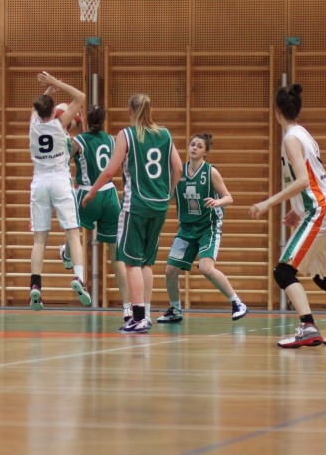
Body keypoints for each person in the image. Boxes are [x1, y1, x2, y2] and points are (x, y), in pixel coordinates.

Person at [249, 83, 326, 348]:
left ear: (276, 110)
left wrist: (269, 202)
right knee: (322, 276)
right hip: (321, 209)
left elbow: (303, 180)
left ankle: (307, 326)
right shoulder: (304, 135)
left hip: (318, 210)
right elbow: (313, 178)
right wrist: (297, 208)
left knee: (283, 271)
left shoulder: (291, 139)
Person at [83, 94, 183, 334]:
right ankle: (145, 314)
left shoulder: (126, 135)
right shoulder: (165, 134)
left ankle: (138, 317)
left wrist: (92, 192)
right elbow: (178, 168)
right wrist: (168, 193)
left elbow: (110, 171)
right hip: (159, 205)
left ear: (130, 110)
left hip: (136, 204)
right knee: (146, 262)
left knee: (131, 263)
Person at [157, 133, 248, 324]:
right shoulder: (179, 172)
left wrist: (217, 202)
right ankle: (175, 310)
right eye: (192, 144)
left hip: (208, 227)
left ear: (205, 152)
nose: (194, 148)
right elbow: (168, 196)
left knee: (206, 268)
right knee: (170, 271)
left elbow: (229, 198)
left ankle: (237, 302)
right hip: (186, 229)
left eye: (199, 146)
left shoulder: (210, 172)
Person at [27, 72, 91, 311]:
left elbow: (37, 108)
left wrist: (48, 91)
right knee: (73, 233)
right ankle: (79, 279)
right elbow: (80, 97)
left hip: (39, 182)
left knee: (39, 240)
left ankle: (35, 285)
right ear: (54, 111)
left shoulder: (33, 126)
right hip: (60, 181)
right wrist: (55, 83)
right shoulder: (60, 123)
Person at [61, 105, 130, 322]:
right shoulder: (111, 140)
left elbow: (63, 159)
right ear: (104, 120)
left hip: (87, 193)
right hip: (109, 196)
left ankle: (67, 254)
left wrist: (66, 130)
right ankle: (128, 308)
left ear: (85, 121)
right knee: (116, 255)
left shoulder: (78, 142)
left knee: (73, 231)